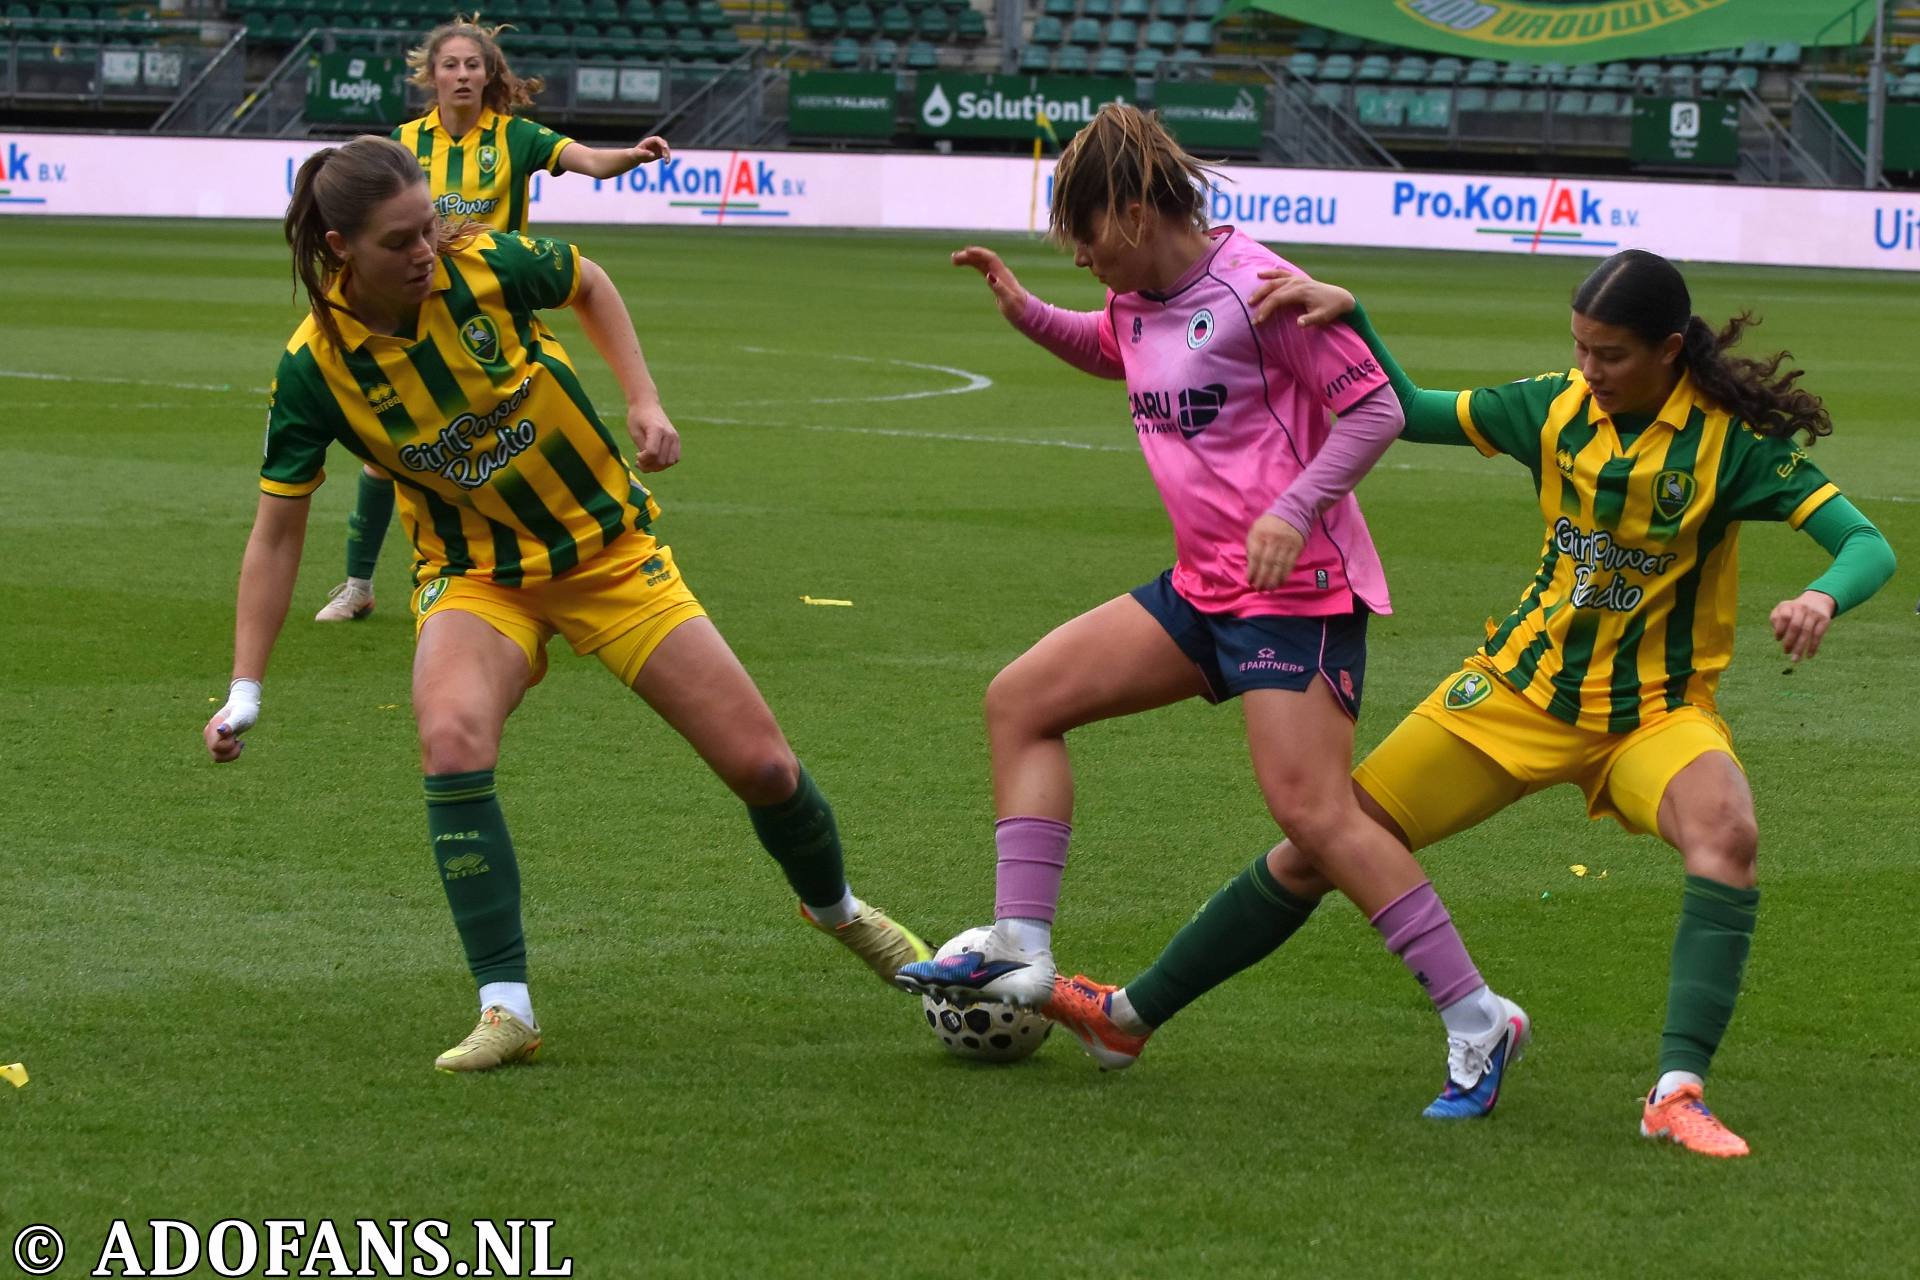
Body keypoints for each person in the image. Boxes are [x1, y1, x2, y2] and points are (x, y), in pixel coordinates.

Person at [1056, 248, 1895, 1157]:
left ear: (1668, 350)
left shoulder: (1730, 446)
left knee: (1726, 832)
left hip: (1652, 713)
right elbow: (1411, 411)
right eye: (1579, 348)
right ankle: (1129, 1015)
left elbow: (1866, 544)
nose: (1589, 371)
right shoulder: (1553, 408)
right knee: (1320, 844)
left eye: (1609, 355)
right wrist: (1352, 313)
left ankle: (1676, 1092)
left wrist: (1822, 596)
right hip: (1511, 696)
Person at [204, 136, 928, 1072]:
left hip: (607, 556)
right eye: (400, 240)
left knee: (765, 769)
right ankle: (506, 1008)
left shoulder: (485, 265)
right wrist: (247, 686)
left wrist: (644, 399)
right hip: (476, 580)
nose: (426, 250)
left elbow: (590, 281)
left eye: (429, 226)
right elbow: (276, 533)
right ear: (340, 246)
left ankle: (840, 911)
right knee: (452, 738)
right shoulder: (315, 369)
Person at [891, 103, 1528, 1119]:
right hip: (1201, 590)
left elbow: (1378, 408)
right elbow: (1117, 349)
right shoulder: (1139, 293)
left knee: (1315, 815)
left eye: (1089, 237)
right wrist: (1024, 311)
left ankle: (1478, 1017)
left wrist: (1294, 505)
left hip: (1298, 596)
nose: (1083, 258)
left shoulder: (1262, 287)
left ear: (1138, 211)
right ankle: (1018, 942)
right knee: (1021, 699)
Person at [316, 15, 671, 624]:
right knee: (386, 456)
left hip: (498, 317)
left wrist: (630, 157)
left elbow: (583, 159)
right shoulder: (404, 143)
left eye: (472, 65)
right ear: (431, 75)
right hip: (421, 316)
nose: (461, 74)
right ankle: (358, 584)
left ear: (489, 76)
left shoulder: (517, 137)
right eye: (450, 65)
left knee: (540, 430)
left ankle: (579, 561)